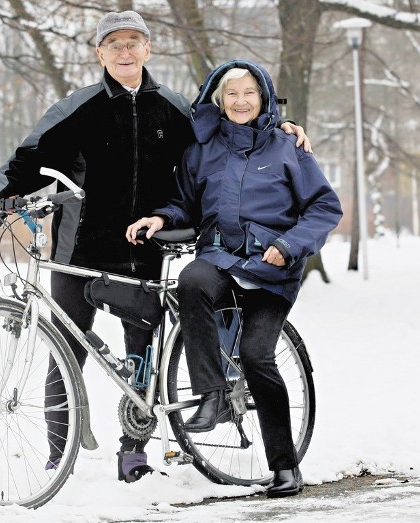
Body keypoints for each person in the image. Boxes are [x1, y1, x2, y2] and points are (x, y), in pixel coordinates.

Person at [0, 12, 311, 483]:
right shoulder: (77, 108)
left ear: (148, 50)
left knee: (139, 352)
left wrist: (284, 126)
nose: (125, 52)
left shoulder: (172, 108)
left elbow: (232, 132)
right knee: (65, 350)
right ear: (100, 54)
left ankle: (133, 450)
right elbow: (30, 157)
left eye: (133, 43)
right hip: (79, 250)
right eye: (114, 45)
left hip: (143, 250)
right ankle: (56, 456)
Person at [126, 60, 343, 497]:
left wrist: (288, 246)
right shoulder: (200, 150)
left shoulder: (288, 148)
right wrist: (159, 216)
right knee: (192, 280)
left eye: (249, 93)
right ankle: (212, 396)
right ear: (218, 100)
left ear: (262, 97)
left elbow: (324, 207)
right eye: (231, 94)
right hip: (220, 260)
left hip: (271, 272)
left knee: (257, 356)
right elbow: (183, 203)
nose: (240, 101)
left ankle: (285, 466)